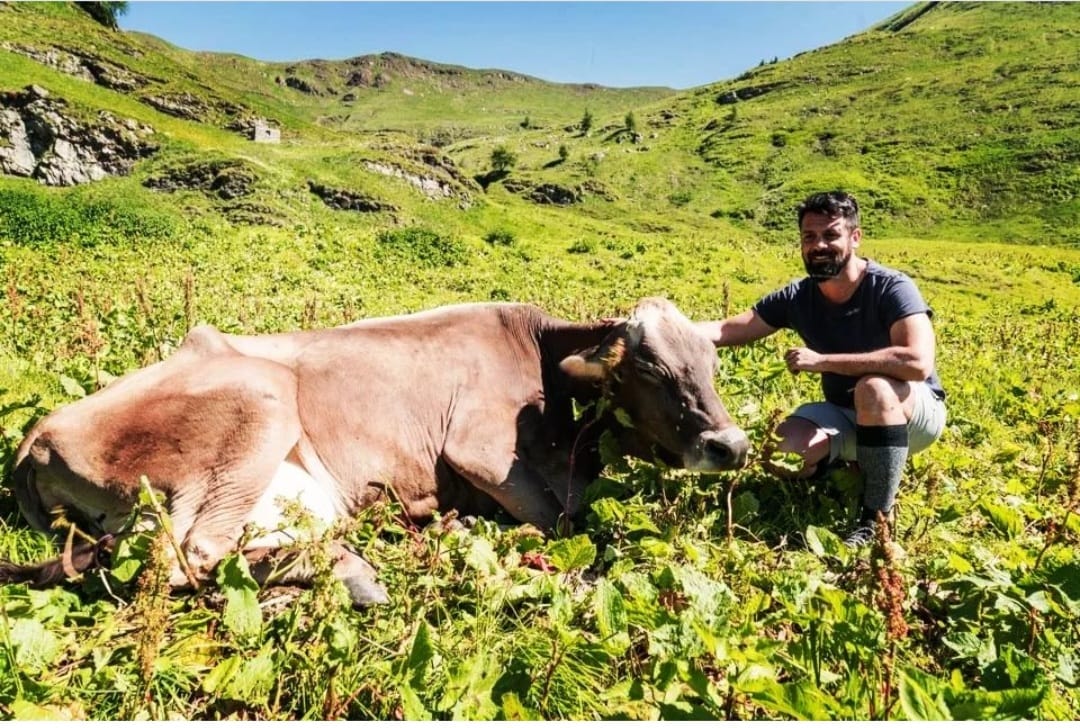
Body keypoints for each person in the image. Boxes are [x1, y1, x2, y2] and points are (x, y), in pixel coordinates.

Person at [696, 191, 946, 547]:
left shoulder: (892, 287)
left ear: (855, 237)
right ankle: (853, 466)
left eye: (831, 235)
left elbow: (917, 362)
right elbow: (729, 329)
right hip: (847, 414)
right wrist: (659, 328)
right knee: (778, 450)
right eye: (809, 237)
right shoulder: (799, 296)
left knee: (872, 388)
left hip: (914, 413)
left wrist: (824, 362)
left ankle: (876, 517)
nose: (819, 246)